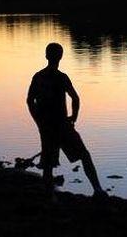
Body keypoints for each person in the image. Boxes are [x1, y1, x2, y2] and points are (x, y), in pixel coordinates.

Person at [27, 43, 107, 199]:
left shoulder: (38, 77)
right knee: (84, 155)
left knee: (48, 164)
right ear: (61, 57)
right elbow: (75, 98)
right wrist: (74, 117)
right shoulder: (61, 77)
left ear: (46, 56)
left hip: (47, 126)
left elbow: (30, 101)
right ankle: (97, 189)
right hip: (62, 124)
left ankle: (50, 196)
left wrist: (38, 120)